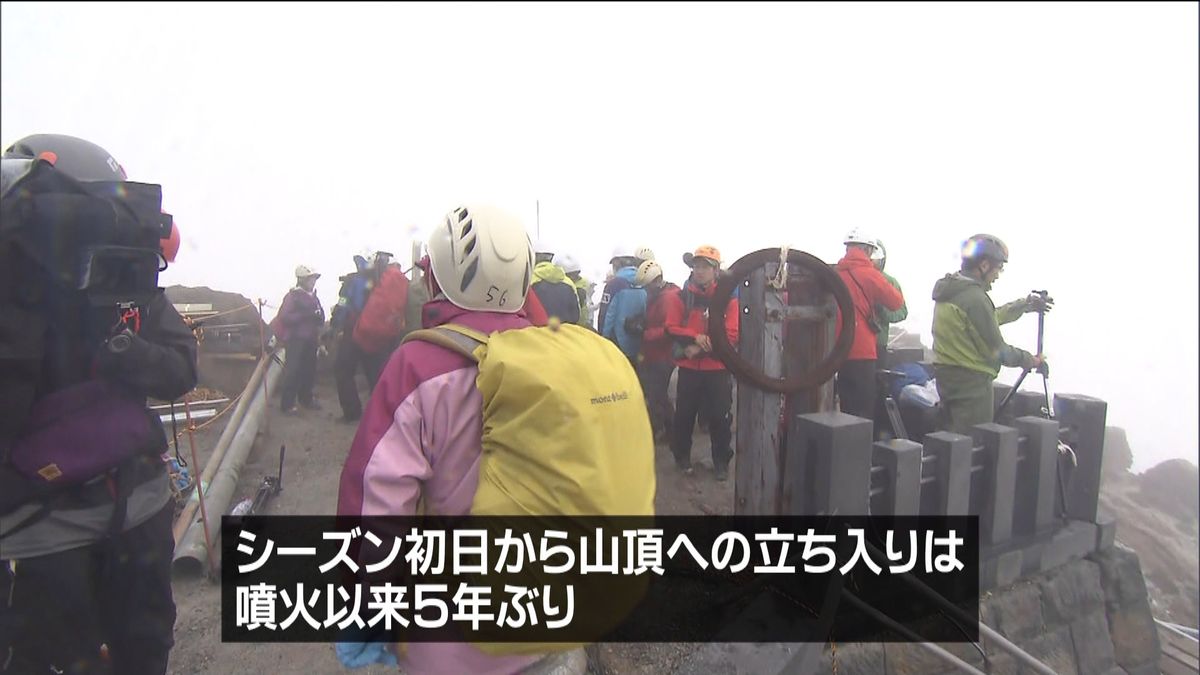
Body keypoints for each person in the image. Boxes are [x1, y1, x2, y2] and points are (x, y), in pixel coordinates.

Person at [337, 204, 584, 674]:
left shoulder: (418, 367)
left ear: (441, 275)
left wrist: (363, 601)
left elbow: (377, 501)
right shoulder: (555, 359)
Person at [0, 134, 198, 675]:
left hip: (129, 509)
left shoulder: (129, 290)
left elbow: (182, 369)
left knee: (134, 646)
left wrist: (124, 349)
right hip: (56, 529)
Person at [931, 233, 1050, 435]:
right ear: (984, 266)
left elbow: (986, 320)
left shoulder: (952, 290)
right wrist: (1030, 360)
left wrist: (1024, 305)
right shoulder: (975, 298)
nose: (998, 274)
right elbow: (997, 350)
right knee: (970, 447)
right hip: (972, 387)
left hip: (948, 377)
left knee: (950, 444)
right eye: (998, 268)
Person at [664, 245, 739, 480]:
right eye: (696, 266)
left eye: (705, 266)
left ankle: (721, 463)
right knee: (684, 416)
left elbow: (733, 332)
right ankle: (682, 458)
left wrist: (697, 348)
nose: (699, 270)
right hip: (689, 370)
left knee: (720, 417)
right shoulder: (681, 297)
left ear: (716, 270)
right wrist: (695, 337)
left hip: (716, 369)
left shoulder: (728, 299)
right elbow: (670, 326)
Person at [834, 229, 904, 420]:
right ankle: (860, 448)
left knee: (843, 402)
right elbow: (896, 302)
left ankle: (840, 445)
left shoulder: (834, 273)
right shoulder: (871, 275)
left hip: (835, 349)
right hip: (862, 350)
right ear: (868, 250)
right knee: (862, 407)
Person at [329, 251, 389, 422]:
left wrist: (335, 324)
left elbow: (343, 304)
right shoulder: (381, 281)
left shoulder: (352, 282)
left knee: (343, 370)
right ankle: (382, 413)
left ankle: (352, 412)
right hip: (376, 332)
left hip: (353, 332)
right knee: (375, 373)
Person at [632, 259, 680, 444]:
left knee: (657, 395)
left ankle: (669, 431)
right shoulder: (661, 295)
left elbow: (669, 329)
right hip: (657, 353)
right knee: (658, 395)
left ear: (657, 281)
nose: (646, 291)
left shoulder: (667, 298)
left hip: (662, 354)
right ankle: (669, 430)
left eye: (647, 286)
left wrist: (643, 332)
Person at [275, 265, 325, 414]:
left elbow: (320, 317)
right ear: (302, 279)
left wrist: (318, 316)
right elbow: (284, 317)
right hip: (296, 339)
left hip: (310, 338)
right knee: (293, 370)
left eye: (314, 279)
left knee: (309, 370)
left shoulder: (313, 296)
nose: (313, 282)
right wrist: (305, 316)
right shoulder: (292, 296)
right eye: (311, 278)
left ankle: (306, 399)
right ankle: (287, 404)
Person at [869, 239, 908, 362]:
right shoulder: (853, 277)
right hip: (853, 343)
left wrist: (883, 312)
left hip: (878, 343)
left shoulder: (890, 282)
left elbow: (902, 312)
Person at [530, 241, 581, 324]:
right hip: (565, 333)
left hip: (538, 334)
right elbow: (576, 316)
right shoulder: (569, 283)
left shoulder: (529, 281)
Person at [553, 252, 594, 328]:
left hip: (578, 325)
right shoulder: (563, 286)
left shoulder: (580, 287)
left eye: (575, 274)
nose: (574, 277)